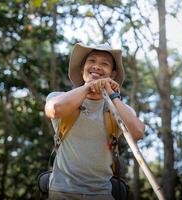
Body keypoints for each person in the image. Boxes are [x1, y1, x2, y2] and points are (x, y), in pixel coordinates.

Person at [44, 43, 145, 200]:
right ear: (82, 69)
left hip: (101, 193)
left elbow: (138, 133)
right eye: (92, 61)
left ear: (112, 74)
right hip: (62, 190)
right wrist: (88, 87)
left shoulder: (119, 110)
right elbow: (54, 109)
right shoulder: (59, 97)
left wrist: (113, 95)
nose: (97, 66)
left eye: (104, 64)